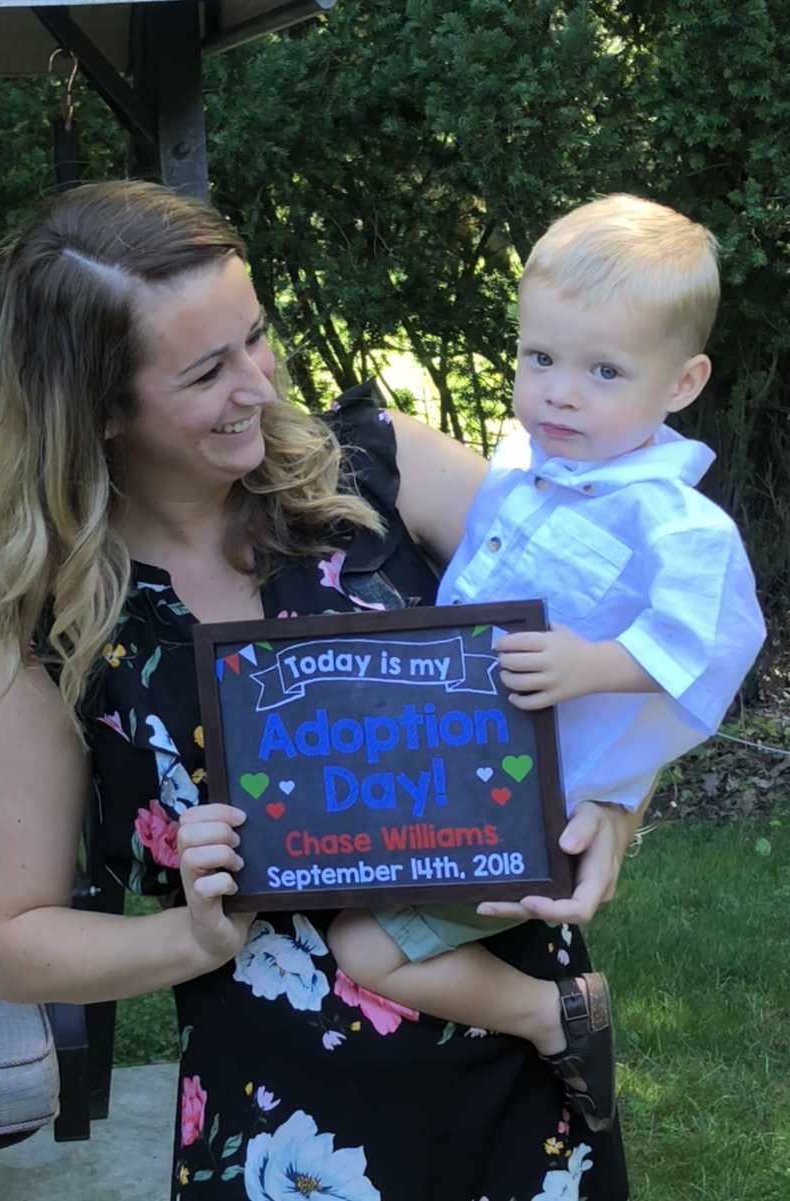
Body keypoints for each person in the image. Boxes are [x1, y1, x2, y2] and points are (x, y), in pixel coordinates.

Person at [0, 180, 644, 1201]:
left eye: (256, 338)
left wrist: (620, 802)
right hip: (280, 1129)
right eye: (205, 371)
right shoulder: (59, 631)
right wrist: (185, 935)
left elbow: (640, 619)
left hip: (524, 1071)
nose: (260, 386)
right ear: (98, 409)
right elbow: (15, 944)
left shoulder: (383, 475)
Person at [327, 194, 766, 1133]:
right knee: (326, 856)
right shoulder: (530, 482)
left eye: (605, 370)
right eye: (541, 359)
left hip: (535, 807)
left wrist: (595, 663)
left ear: (682, 383)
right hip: (461, 769)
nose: (562, 390)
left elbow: (717, 636)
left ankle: (556, 1015)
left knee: (365, 943)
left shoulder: (675, 522)